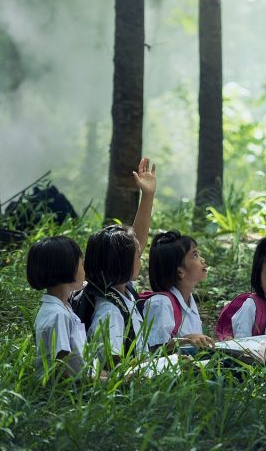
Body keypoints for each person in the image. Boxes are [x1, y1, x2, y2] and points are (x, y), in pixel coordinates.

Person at [84, 158, 156, 366]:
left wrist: (148, 196)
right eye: (137, 256)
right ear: (122, 264)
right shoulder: (109, 311)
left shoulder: (121, 291)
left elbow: (136, 244)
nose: (141, 255)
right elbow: (111, 362)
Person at [141, 230, 215, 351]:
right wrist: (187, 339)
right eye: (195, 255)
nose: (202, 260)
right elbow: (154, 352)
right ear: (180, 271)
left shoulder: (189, 300)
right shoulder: (160, 304)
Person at [27, 236, 87, 377]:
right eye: (82, 264)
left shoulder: (63, 308)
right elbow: (62, 369)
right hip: (70, 392)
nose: (85, 270)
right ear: (68, 267)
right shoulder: (58, 315)